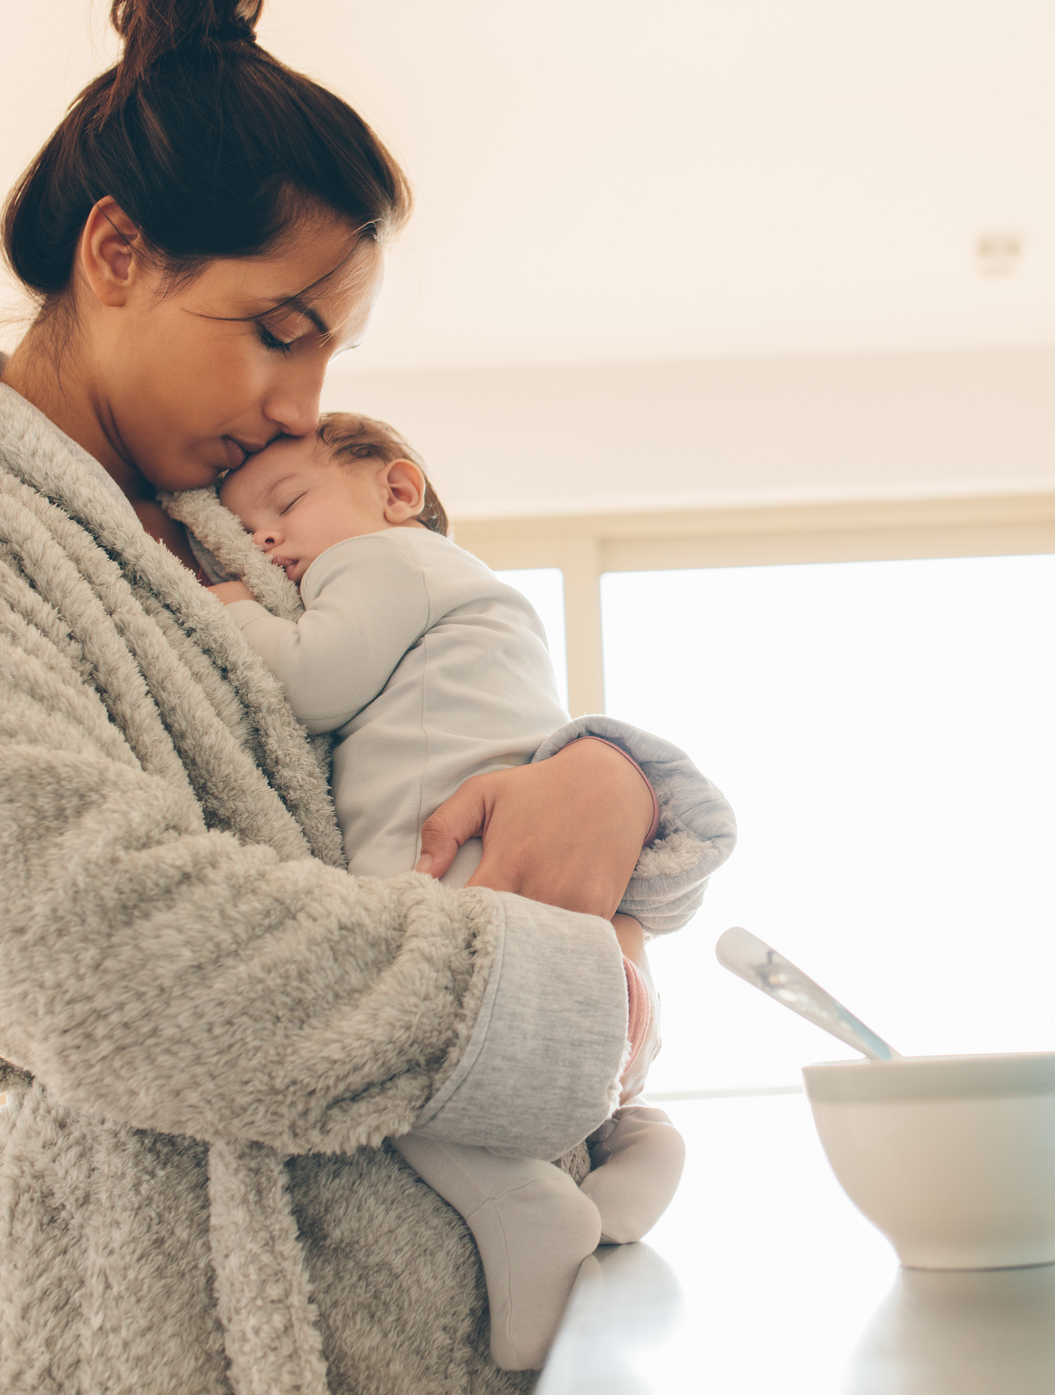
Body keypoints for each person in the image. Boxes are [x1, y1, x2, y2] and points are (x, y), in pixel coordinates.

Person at [0, 0, 735, 1390]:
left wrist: (609, 773)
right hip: (168, 1341)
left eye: (330, 349)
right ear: (116, 251)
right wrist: (544, 994)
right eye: (278, 330)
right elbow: (77, 943)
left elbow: (430, 710)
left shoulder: (225, 528)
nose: (301, 402)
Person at [199, 414, 688, 1370]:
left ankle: (522, 1203)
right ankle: (642, 1144)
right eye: (239, 526)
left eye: (285, 503)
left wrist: (227, 609)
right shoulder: (459, 599)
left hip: (457, 874)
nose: (260, 539)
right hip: (550, 919)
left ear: (395, 490)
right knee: (560, 1065)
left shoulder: (389, 561)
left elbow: (314, 682)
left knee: (405, 1067)